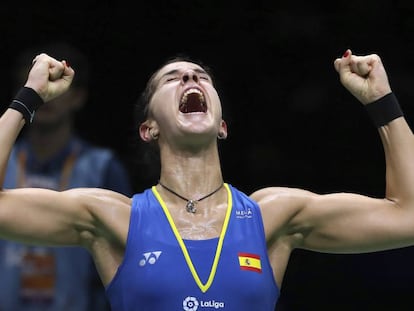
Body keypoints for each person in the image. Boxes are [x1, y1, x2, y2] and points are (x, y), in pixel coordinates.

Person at [0, 48, 413, 311]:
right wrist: (27, 98)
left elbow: (407, 217)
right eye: (172, 78)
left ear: (222, 127)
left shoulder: (272, 216)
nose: (191, 79)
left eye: (201, 76)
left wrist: (382, 102)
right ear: (150, 129)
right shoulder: (113, 218)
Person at [0, 42, 132, 311]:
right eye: (39, 87)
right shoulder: (6, 159)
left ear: (78, 96)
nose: (47, 97)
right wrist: (28, 98)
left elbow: (123, 257)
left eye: (56, 81)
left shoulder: (103, 168)